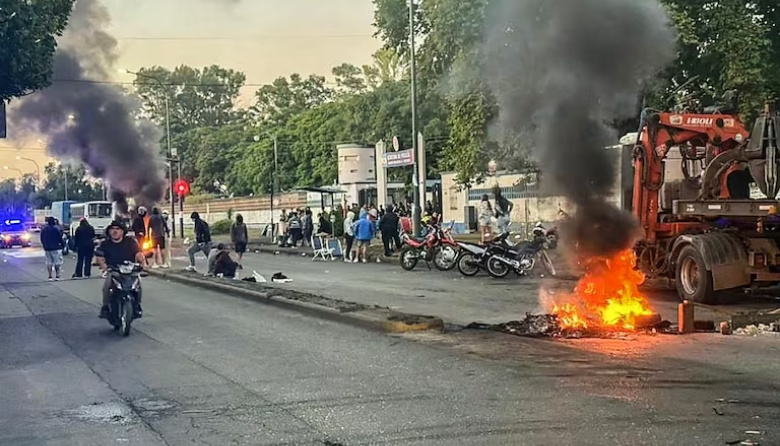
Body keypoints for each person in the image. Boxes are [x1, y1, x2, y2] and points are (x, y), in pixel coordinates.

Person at [95, 220, 148, 319]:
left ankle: (137, 306)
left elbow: (138, 254)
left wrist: (143, 264)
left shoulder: (130, 242)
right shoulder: (105, 244)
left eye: (118, 229)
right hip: (114, 271)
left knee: (138, 285)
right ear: (109, 231)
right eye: (112, 229)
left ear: (123, 231)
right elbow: (99, 258)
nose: (115, 231)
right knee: (106, 286)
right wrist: (105, 267)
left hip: (130, 270)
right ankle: (105, 307)